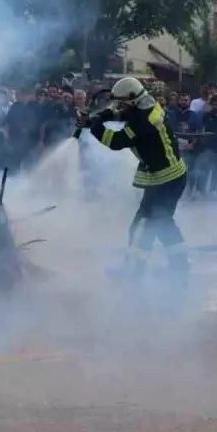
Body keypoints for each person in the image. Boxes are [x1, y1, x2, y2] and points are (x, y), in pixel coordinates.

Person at [78, 77, 189, 285]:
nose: (119, 107)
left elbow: (116, 141)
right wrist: (100, 116)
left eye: (122, 103)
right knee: (164, 224)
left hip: (164, 181)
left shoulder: (141, 123)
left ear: (132, 101)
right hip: (172, 176)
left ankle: (133, 275)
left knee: (142, 227)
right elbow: (122, 112)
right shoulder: (149, 106)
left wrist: (93, 127)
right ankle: (180, 267)